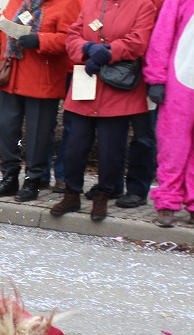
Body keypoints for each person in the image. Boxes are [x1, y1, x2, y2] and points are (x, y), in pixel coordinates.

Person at [48, 0, 157, 222]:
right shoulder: (91, 4)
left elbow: (138, 41)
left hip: (119, 88)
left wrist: (107, 52)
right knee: (74, 145)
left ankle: (103, 196)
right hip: (86, 84)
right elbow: (72, 36)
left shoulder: (143, 5)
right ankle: (72, 194)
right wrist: (88, 49)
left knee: (111, 149)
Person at [0, 0, 80, 202]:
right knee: (6, 130)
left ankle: (33, 180)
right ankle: (9, 178)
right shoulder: (19, 1)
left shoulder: (67, 4)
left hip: (42, 81)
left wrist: (40, 40)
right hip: (12, 78)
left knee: (38, 135)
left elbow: (70, 39)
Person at [144, 0, 194, 229]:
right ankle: (167, 201)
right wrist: (156, 78)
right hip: (179, 82)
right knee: (173, 145)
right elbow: (162, 36)